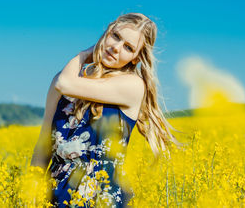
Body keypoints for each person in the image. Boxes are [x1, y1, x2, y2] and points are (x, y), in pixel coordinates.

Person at [30, 13, 182, 207]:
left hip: (101, 198)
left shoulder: (132, 86)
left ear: (135, 59)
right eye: (115, 36)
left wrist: (84, 54)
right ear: (106, 32)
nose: (116, 48)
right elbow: (44, 144)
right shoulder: (63, 81)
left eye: (128, 48)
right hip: (54, 196)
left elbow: (65, 83)